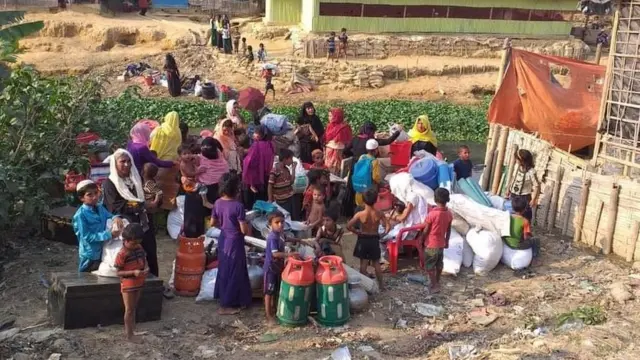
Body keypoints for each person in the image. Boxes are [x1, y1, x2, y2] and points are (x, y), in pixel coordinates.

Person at [102, 149, 159, 277]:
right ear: (115, 164)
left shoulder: (136, 180)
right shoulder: (110, 184)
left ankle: (155, 283)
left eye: (129, 161)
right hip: (128, 226)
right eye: (122, 162)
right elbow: (117, 206)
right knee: (133, 257)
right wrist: (142, 205)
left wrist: (153, 203)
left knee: (150, 252)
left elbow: (145, 196)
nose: (127, 165)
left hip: (144, 222)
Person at [211, 171, 252, 314]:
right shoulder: (238, 206)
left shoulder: (217, 203)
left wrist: (224, 227)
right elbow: (243, 230)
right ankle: (226, 305)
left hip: (224, 238)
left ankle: (230, 299)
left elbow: (212, 223)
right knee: (236, 270)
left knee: (224, 268)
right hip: (235, 241)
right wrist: (246, 226)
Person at [343, 121, 400, 216]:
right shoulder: (371, 142)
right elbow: (388, 141)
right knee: (367, 191)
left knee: (353, 187)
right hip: (367, 169)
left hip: (355, 165)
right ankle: (367, 213)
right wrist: (398, 132)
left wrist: (354, 156)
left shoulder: (355, 139)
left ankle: (350, 212)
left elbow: (345, 150)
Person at [72, 180, 123, 272]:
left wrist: (116, 217)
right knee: (86, 279)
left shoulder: (99, 207)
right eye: (89, 195)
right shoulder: (80, 215)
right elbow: (87, 236)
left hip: (102, 249)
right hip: (89, 254)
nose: (94, 197)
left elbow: (109, 216)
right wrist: (109, 234)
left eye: (96, 193)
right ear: (81, 198)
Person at [347, 188, 389, 289]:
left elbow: (348, 226)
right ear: (375, 201)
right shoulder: (379, 213)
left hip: (363, 239)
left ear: (363, 200)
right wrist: (383, 233)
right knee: (376, 263)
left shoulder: (360, 214)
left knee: (363, 264)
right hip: (374, 239)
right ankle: (382, 285)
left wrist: (356, 232)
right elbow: (387, 226)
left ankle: (364, 286)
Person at [263, 210, 299, 324]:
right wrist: (289, 255)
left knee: (275, 290)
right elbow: (275, 254)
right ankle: (268, 316)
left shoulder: (280, 234)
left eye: (282, 222)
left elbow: (287, 239)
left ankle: (274, 310)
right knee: (269, 292)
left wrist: (299, 240)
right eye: (277, 222)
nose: (280, 225)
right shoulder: (272, 237)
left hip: (277, 267)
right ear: (270, 224)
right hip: (270, 268)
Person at [114, 223, 148, 343]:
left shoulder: (139, 248)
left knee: (134, 307)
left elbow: (145, 259)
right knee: (129, 309)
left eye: (138, 243)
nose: (136, 245)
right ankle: (129, 335)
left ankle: (132, 330)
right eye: (133, 243)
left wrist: (146, 268)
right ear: (126, 240)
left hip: (139, 281)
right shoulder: (122, 254)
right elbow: (118, 272)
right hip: (128, 284)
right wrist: (133, 272)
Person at [422, 188, 453, 293]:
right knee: (439, 264)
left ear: (435, 199)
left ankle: (435, 285)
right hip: (441, 244)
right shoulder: (449, 214)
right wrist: (447, 241)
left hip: (431, 245)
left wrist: (421, 240)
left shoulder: (432, 214)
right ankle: (437, 281)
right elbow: (448, 230)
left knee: (429, 266)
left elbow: (426, 230)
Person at [150, 112, 183, 210]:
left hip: (160, 159)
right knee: (170, 187)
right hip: (173, 160)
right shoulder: (178, 131)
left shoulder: (159, 129)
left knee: (158, 185)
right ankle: (168, 207)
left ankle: (156, 206)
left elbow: (151, 138)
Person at [242, 125, 275, 210]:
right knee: (263, 200)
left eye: (255, 133)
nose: (253, 135)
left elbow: (250, 162)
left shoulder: (256, 145)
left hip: (254, 178)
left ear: (261, 135)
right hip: (265, 177)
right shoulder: (270, 144)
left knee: (253, 203)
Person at [505, 149, 540, 222]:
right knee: (512, 213)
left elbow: (536, 186)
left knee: (525, 216)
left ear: (523, 160)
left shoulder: (531, 172)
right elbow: (513, 178)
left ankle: (525, 231)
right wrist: (508, 188)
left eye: (518, 159)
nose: (516, 160)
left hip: (524, 197)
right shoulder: (517, 167)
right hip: (514, 195)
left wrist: (533, 199)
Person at [503, 196, 541, 260]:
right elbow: (525, 237)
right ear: (524, 209)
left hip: (506, 242)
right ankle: (535, 258)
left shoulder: (507, 216)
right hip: (517, 245)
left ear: (512, 207)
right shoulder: (525, 221)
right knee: (536, 240)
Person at [352, 139, 382, 209]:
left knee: (359, 207)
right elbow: (375, 177)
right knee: (368, 207)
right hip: (368, 190)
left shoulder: (362, 157)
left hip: (358, 187)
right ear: (376, 150)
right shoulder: (374, 161)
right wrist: (379, 183)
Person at [324, 108, 352, 175]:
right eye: (329, 116)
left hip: (337, 151)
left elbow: (345, 141)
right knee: (328, 167)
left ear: (337, 116)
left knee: (335, 168)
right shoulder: (330, 126)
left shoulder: (344, 127)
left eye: (331, 116)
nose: (329, 118)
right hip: (329, 150)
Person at [268, 149, 296, 215]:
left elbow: (291, 182)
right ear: (284, 159)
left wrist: (293, 169)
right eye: (291, 158)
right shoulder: (275, 170)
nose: (292, 161)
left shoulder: (286, 170)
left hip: (289, 199)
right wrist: (270, 199)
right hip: (280, 201)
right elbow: (270, 185)